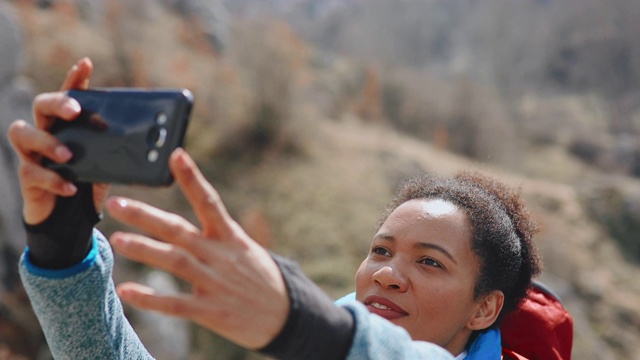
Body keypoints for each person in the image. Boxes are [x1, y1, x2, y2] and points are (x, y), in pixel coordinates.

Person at [9, 57, 541, 359]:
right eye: (381, 249)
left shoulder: (323, 340)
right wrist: (64, 250)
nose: (389, 274)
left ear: (484, 310)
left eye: (430, 261)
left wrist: (300, 322)